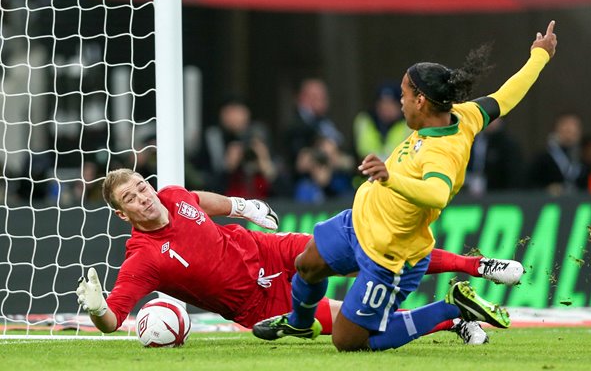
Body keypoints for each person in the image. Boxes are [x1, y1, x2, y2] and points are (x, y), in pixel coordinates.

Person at [252, 21, 557, 351]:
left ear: (421, 101)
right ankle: (298, 324)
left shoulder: (444, 152)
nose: (400, 101)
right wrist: (539, 55)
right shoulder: (464, 115)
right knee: (308, 264)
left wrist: (389, 177)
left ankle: (451, 309)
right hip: (360, 222)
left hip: (391, 255)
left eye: (404, 94)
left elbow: (437, 193)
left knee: (348, 341)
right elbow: (504, 97)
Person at [76, 168, 523, 344]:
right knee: (359, 333)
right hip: (260, 304)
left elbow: (198, 199)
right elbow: (114, 319)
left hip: (268, 249)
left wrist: (242, 207)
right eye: (132, 199)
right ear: (122, 214)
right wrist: (98, 310)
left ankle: (480, 267)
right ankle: (452, 314)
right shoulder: (143, 258)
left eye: (142, 186)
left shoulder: (171, 196)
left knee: (371, 243)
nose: (144, 197)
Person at [528, 112, 586, 195]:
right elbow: (529, 185)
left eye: (574, 127)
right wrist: (546, 190)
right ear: (556, 129)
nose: (570, 130)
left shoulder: (583, 159)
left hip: (581, 204)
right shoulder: (543, 158)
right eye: (566, 126)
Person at [353, 83, 411, 161]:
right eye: (382, 103)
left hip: (398, 170)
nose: (386, 108)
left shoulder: (409, 124)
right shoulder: (365, 120)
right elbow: (357, 154)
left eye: (391, 104)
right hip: (368, 170)